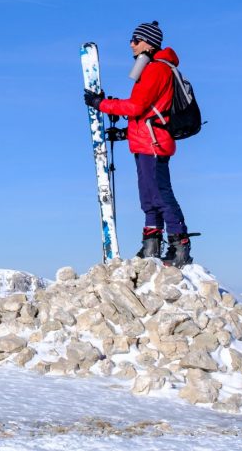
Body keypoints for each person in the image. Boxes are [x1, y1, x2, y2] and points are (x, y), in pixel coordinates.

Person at [83, 21, 193, 267]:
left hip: (153, 144)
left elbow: (136, 107)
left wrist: (101, 104)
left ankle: (179, 247)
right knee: (149, 196)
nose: (131, 44)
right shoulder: (155, 68)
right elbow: (146, 113)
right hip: (148, 141)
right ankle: (151, 246)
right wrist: (125, 133)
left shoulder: (156, 70)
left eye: (136, 39)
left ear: (148, 44)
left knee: (160, 194)